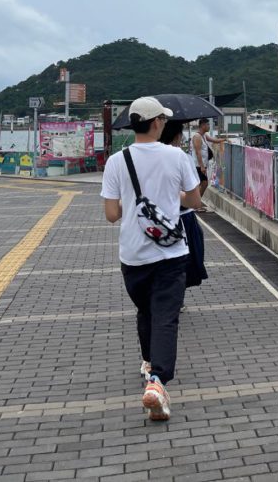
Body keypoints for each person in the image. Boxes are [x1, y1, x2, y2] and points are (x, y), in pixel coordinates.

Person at [101, 96, 201, 421]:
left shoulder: (117, 161)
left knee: (146, 310)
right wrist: (172, 196)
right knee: (166, 317)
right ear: (157, 122)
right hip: (171, 253)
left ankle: (149, 366)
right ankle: (157, 381)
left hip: (133, 256)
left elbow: (112, 214)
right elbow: (195, 201)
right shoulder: (177, 157)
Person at [159, 121, 208, 302]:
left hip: (156, 217)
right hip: (183, 218)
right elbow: (194, 197)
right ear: (178, 136)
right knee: (186, 259)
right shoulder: (181, 157)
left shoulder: (147, 156)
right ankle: (176, 298)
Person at [191, 118, 225, 211]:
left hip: (202, 165)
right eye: (207, 124)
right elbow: (198, 152)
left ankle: (195, 204)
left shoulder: (204, 135)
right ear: (202, 125)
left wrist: (224, 139)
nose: (209, 126)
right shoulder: (197, 137)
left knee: (202, 184)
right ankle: (195, 205)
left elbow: (214, 140)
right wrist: (202, 166)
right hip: (198, 165)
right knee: (204, 183)